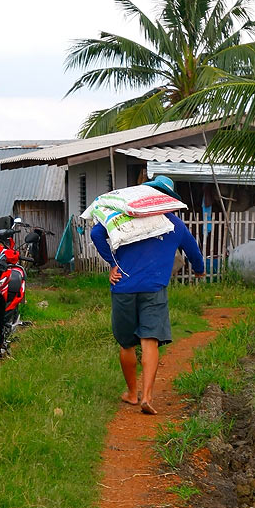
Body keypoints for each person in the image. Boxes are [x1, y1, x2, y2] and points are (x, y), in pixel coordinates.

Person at [90, 175, 205, 415]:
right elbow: (194, 252)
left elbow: (96, 234)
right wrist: (199, 271)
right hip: (154, 288)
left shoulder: (125, 217)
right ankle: (148, 396)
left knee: (127, 343)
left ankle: (132, 394)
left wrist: (113, 264)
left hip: (123, 287)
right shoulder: (174, 224)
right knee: (150, 340)